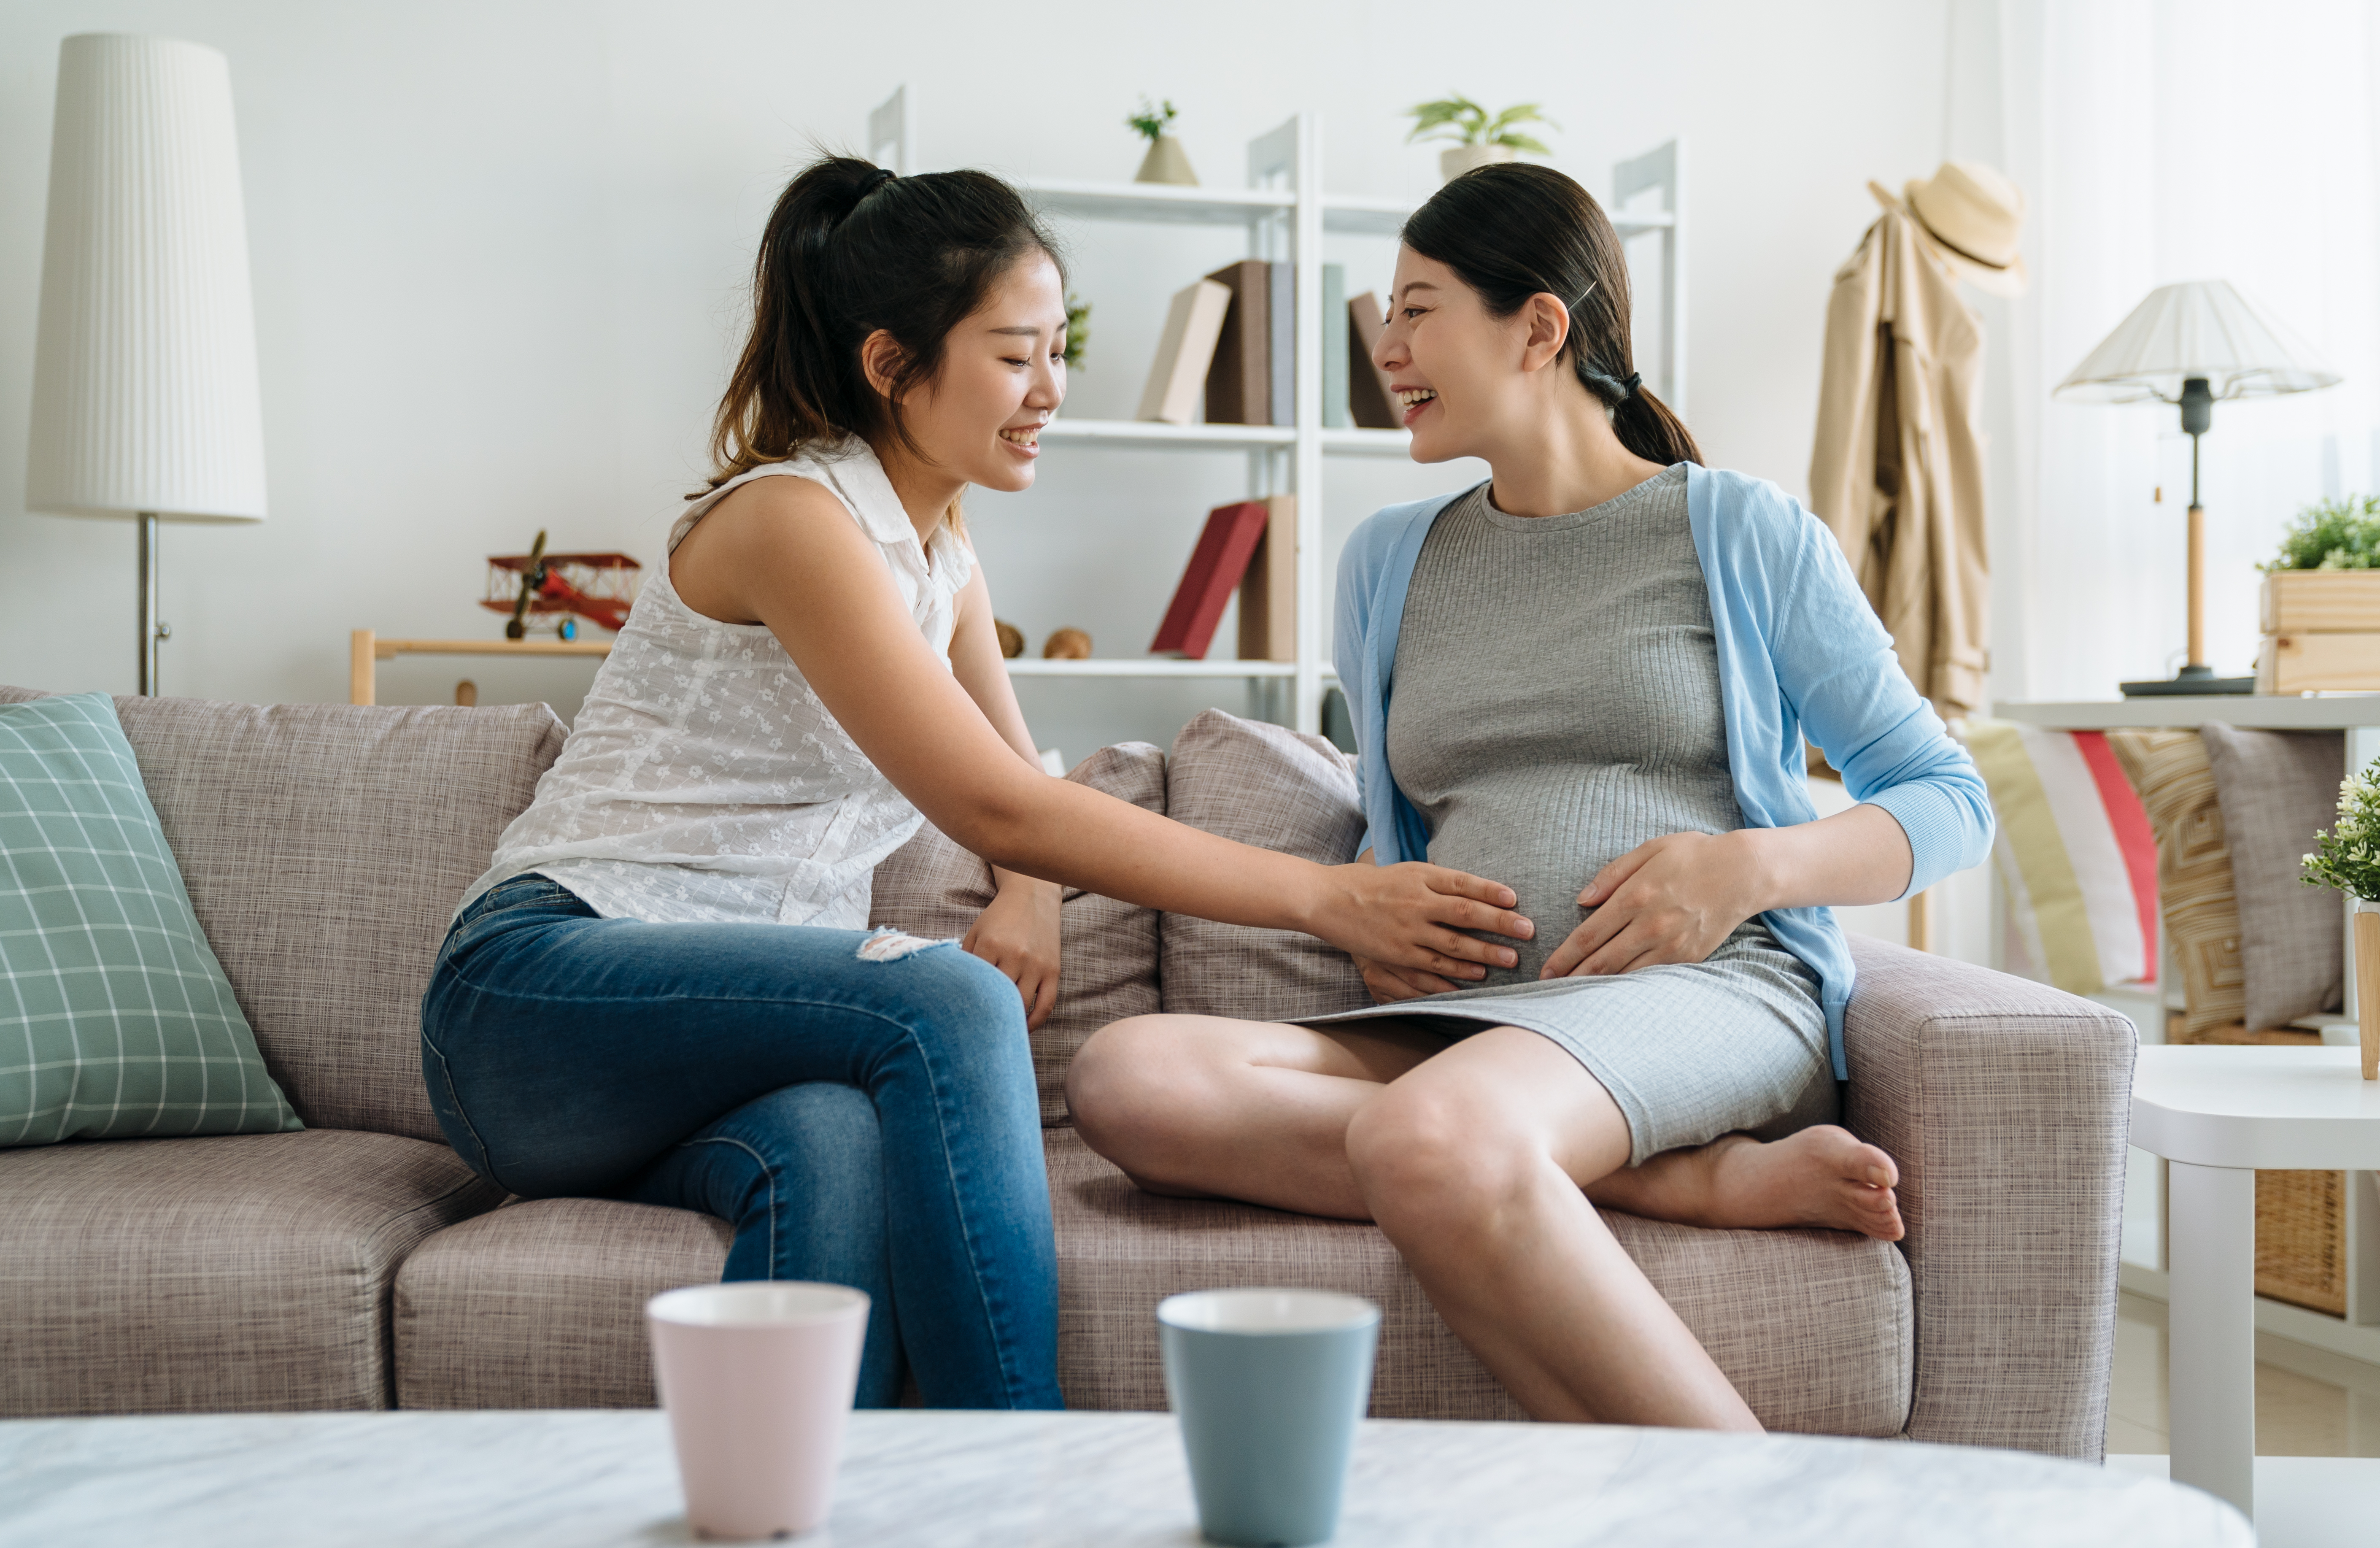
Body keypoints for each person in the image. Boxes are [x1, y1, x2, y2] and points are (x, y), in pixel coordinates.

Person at [418, 156, 1532, 1412]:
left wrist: (1036, 898)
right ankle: (1025, 1479)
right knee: (942, 1001)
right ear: (891, 363)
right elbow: (1000, 809)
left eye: (1060, 350)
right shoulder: (795, 521)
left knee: (833, 1151)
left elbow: (1018, 786)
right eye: (1014, 355)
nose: (1049, 390)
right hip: (536, 994)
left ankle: (798, 1519)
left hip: (697, 1047)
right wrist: (1327, 901)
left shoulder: (940, 553)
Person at [1064, 162, 1993, 1432]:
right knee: (1129, 1077)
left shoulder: (1734, 529)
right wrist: (1364, 908)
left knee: (1424, 1138)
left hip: (1708, 999)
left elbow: (1947, 798)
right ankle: (1688, 1183)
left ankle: (1771, 1529)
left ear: (1539, 327)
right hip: (1473, 1028)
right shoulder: (1388, 558)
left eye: (1416, 310)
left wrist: (1749, 870)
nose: (1386, 349)